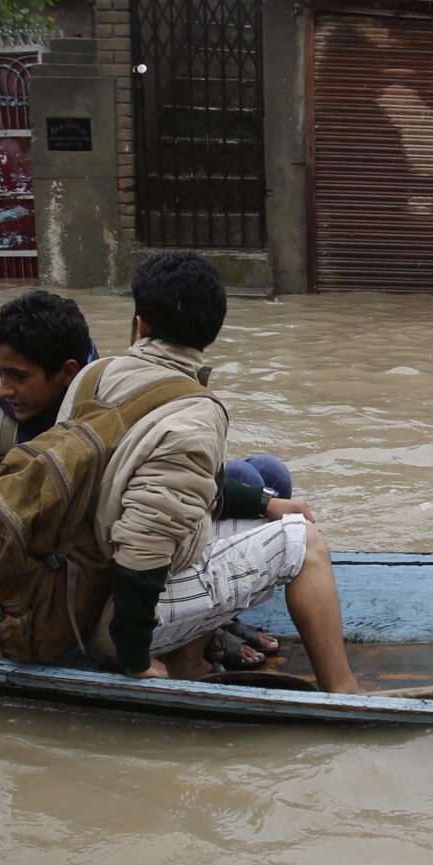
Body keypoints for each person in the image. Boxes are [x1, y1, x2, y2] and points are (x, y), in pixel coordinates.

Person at [0, 287, 303, 666]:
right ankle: (196, 629)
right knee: (243, 484)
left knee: (263, 475)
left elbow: (165, 478)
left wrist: (263, 502)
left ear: (71, 373)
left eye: (18, 376)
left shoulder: (100, 395)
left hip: (122, 538)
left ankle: (209, 617)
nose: (4, 389)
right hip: (73, 569)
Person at [95, 251, 359, 693]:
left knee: (266, 495)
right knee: (305, 542)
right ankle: (345, 693)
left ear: (138, 325)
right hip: (107, 621)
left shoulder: (95, 376)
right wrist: (135, 660)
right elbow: (143, 547)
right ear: (212, 333)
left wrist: (266, 503)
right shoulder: (194, 416)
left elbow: (185, 490)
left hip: (72, 585)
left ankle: (188, 656)